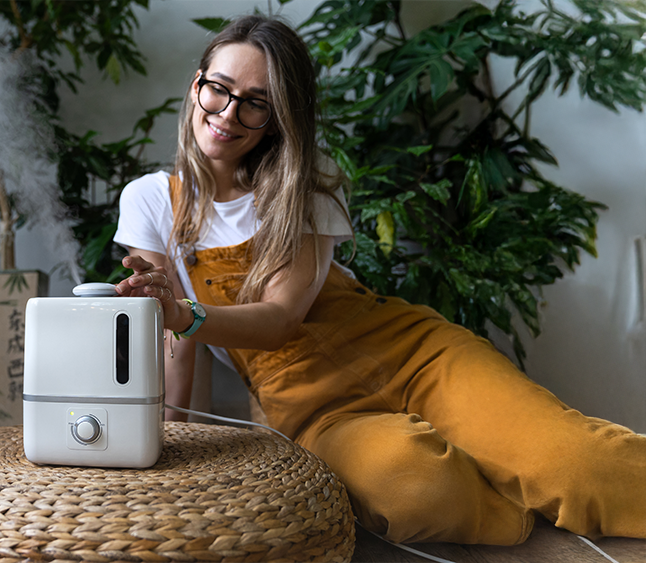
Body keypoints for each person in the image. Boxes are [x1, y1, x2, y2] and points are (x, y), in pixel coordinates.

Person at [112, 14, 646, 545]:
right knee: (418, 489)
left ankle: (535, 470)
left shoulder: (307, 182)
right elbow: (173, 339)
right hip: (316, 410)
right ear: (196, 85)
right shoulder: (151, 199)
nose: (229, 114)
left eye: (255, 102)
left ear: (278, 118)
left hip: (412, 355)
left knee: (577, 462)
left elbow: (277, 318)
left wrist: (186, 315)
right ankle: (517, 497)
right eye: (219, 90)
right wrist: (167, 443)